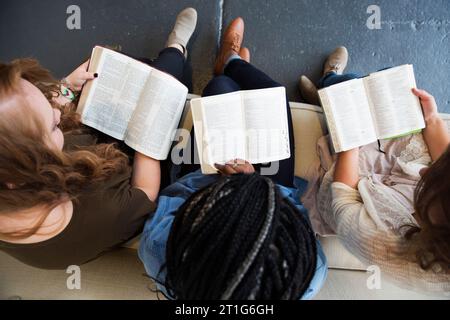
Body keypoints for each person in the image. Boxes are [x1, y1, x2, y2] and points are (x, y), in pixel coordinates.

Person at [138, 18, 327, 300]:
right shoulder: (304, 270)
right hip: (276, 193)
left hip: (203, 182)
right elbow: (296, 215)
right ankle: (230, 60)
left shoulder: (160, 251)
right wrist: (261, 188)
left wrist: (215, 184)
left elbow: (173, 195)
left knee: (220, 89)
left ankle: (228, 65)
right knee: (270, 97)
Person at [0, 8, 198, 269]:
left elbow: (32, 121)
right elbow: (145, 193)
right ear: (27, 168)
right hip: (133, 169)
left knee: (116, 69)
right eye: (52, 124)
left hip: (87, 149)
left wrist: (66, 89)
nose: (58, 113)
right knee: (165, 75)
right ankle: (176, 49)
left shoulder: (16, 181)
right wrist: (147, 136)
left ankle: (165, 60)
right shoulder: (98, 210)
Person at [300, 47, 450, 291]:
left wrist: (352, 134)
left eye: (429, 185)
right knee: (388, 85)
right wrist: (432, 119)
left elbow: (343, 198)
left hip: (353, 189)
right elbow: (444, 160)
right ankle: (329, 90)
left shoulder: (385, 249)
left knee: (350, 91)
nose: (425, 172)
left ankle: (329, 85)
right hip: (402, 170)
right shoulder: (437, 190)